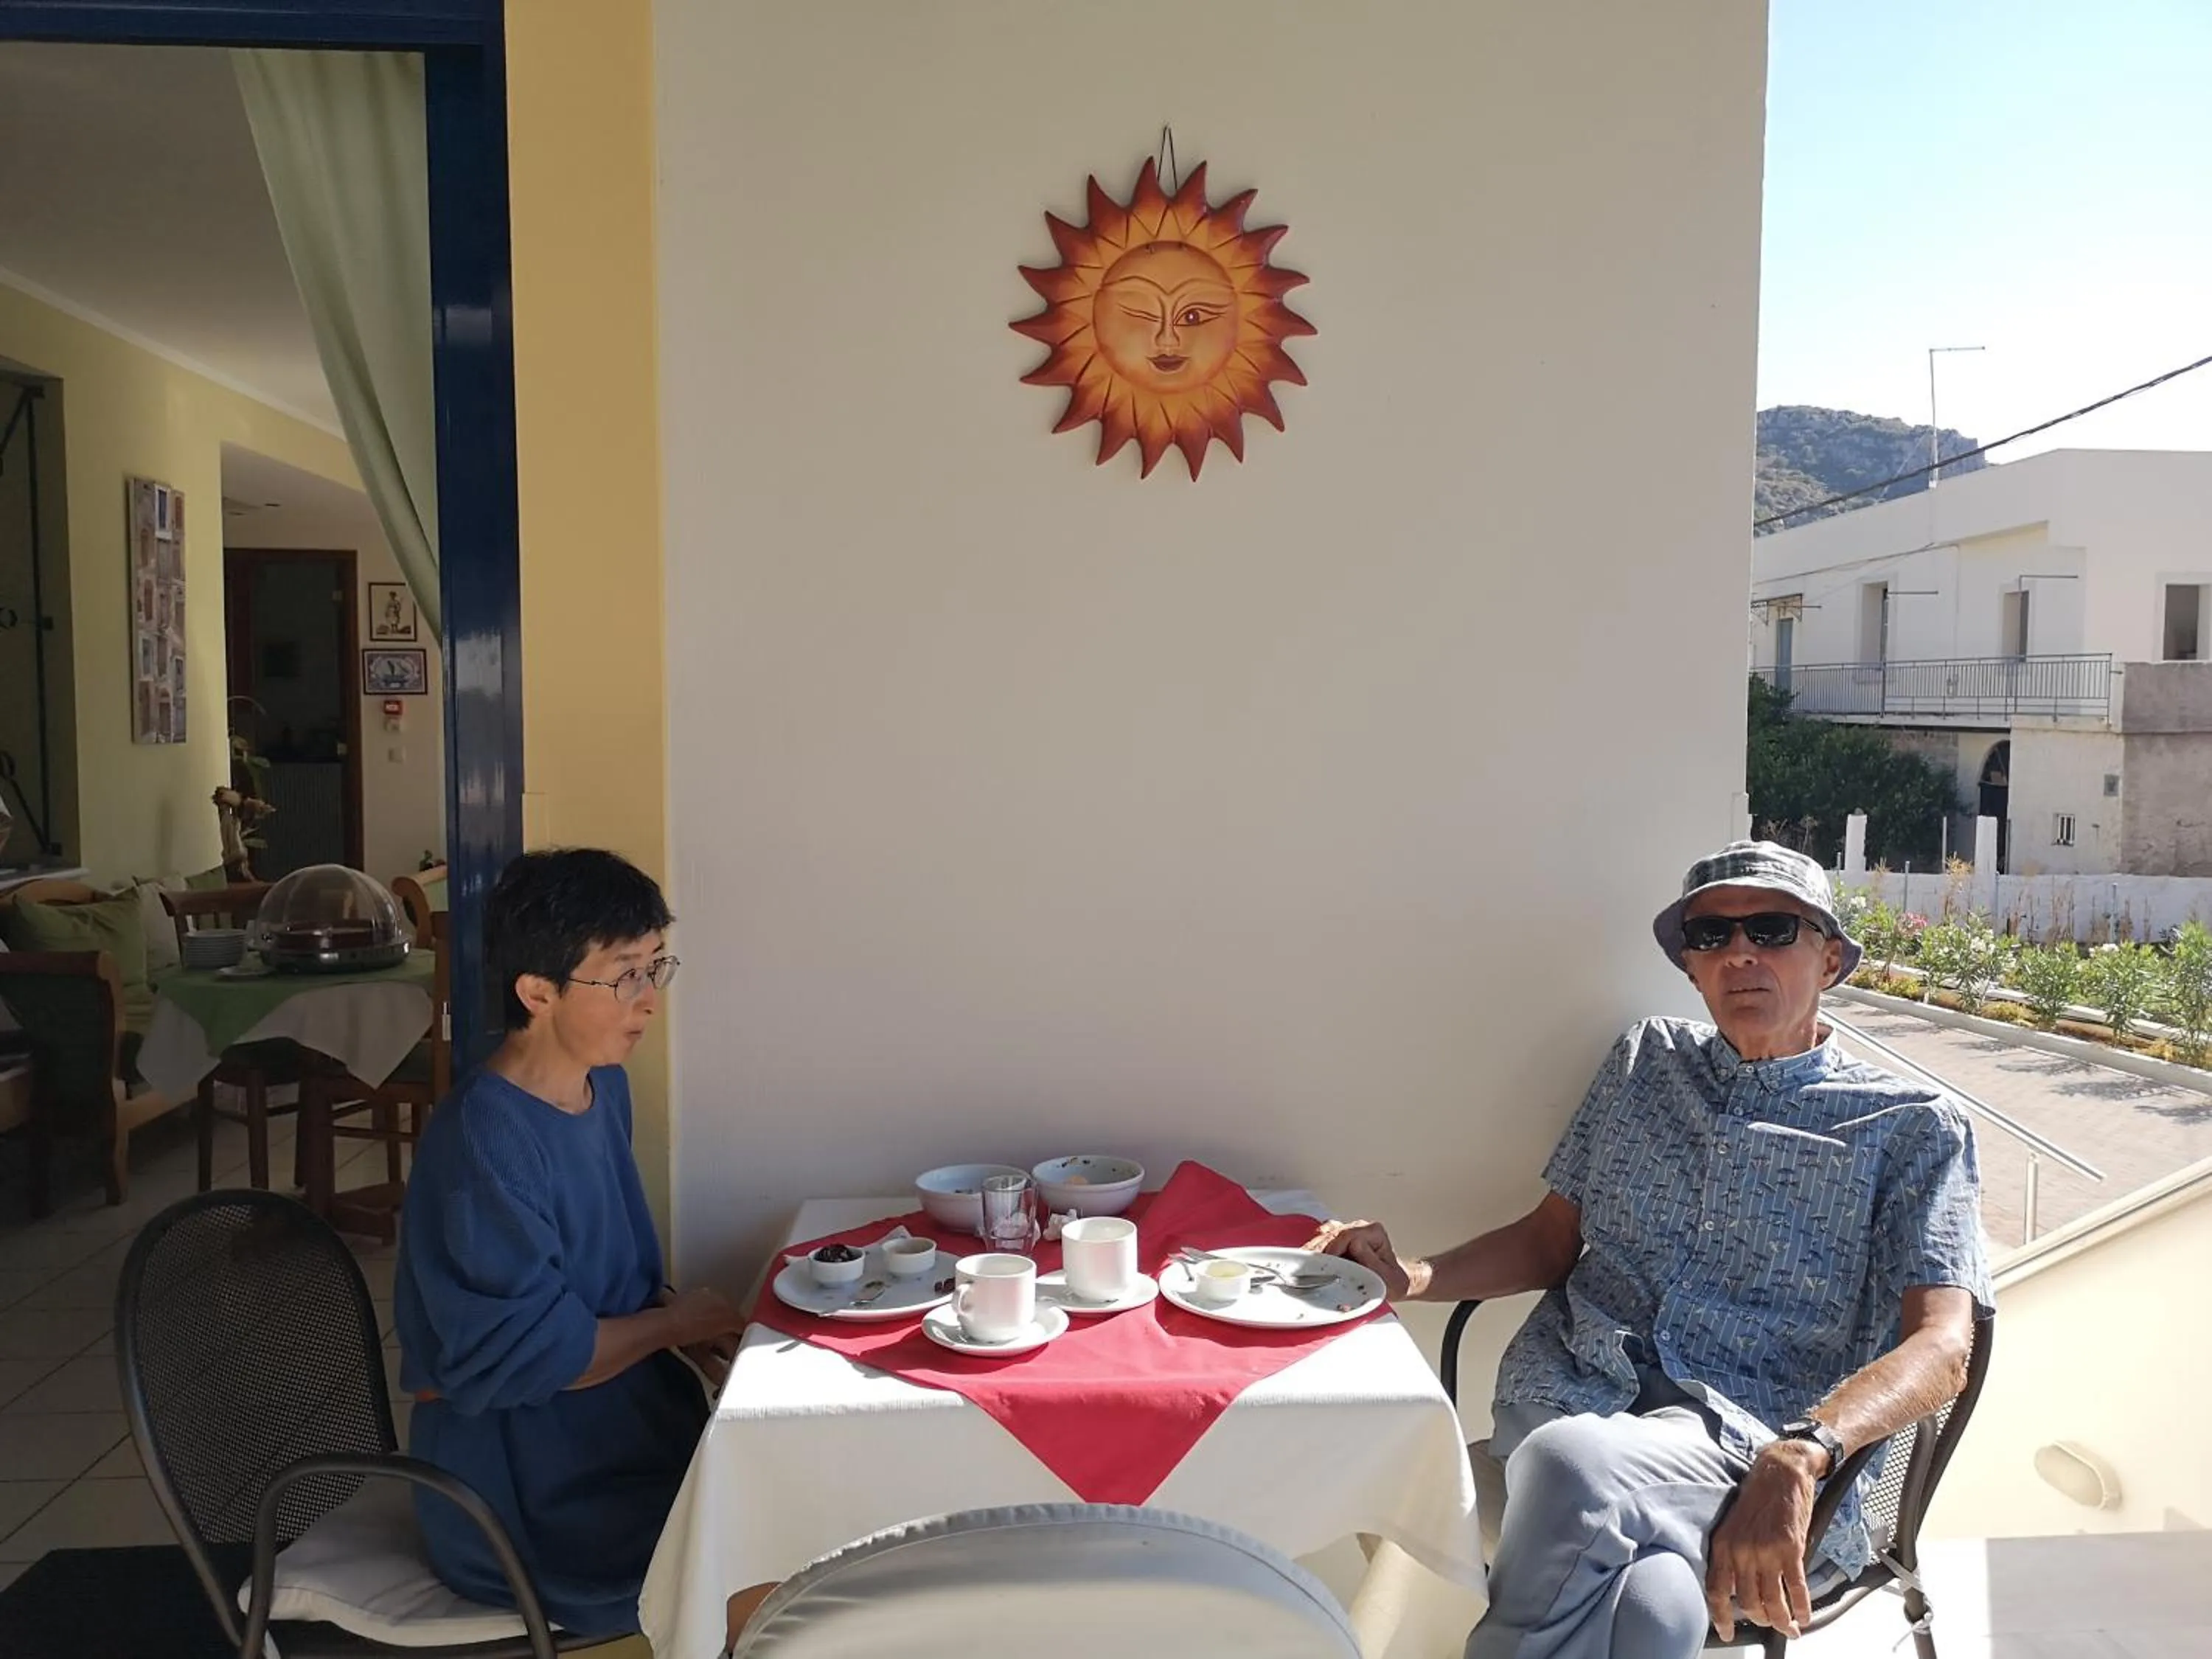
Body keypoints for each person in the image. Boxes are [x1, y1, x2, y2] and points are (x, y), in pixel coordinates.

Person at [1310, 841, 1991, 1659]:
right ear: (1691, 969)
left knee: (1573, 1471)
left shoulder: (1911, 1126)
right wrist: (1409, 1277)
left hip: (1750, 1443)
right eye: (1709, 936)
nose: (1739, 953)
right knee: (1657, 1599)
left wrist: (1804, 1451)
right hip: (1570, 1385)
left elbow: (1946, 1343)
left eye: (1772, 929)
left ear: (1831, 957)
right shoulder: (1645, 1063)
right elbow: (1549, 1241)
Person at [394, 848, 755, 1640]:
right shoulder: (487, 1139)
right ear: (538, 992)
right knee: (767, 1577)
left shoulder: (603, 1087)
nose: (650, 1000)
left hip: (621, 1430)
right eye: (625, 974)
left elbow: (614, 1278)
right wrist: (679, 1325)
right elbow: (532, 1357)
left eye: (658, 967)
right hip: (524, 1486)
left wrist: (685, 1332)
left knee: (809, 1518)